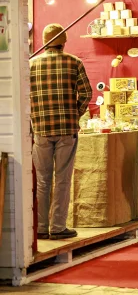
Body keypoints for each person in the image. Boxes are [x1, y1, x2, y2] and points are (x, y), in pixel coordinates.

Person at [30, 23, 92, 240]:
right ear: (64, 43)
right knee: (63, 179)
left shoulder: (31, 65)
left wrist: (35, 115)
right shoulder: (74, 62)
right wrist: (75, 114)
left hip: (41, 129)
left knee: (42, 180)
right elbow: (86, 93)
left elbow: (25, 97)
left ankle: (40, 227)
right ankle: (57, 227)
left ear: (44, 42)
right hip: (67, 129)